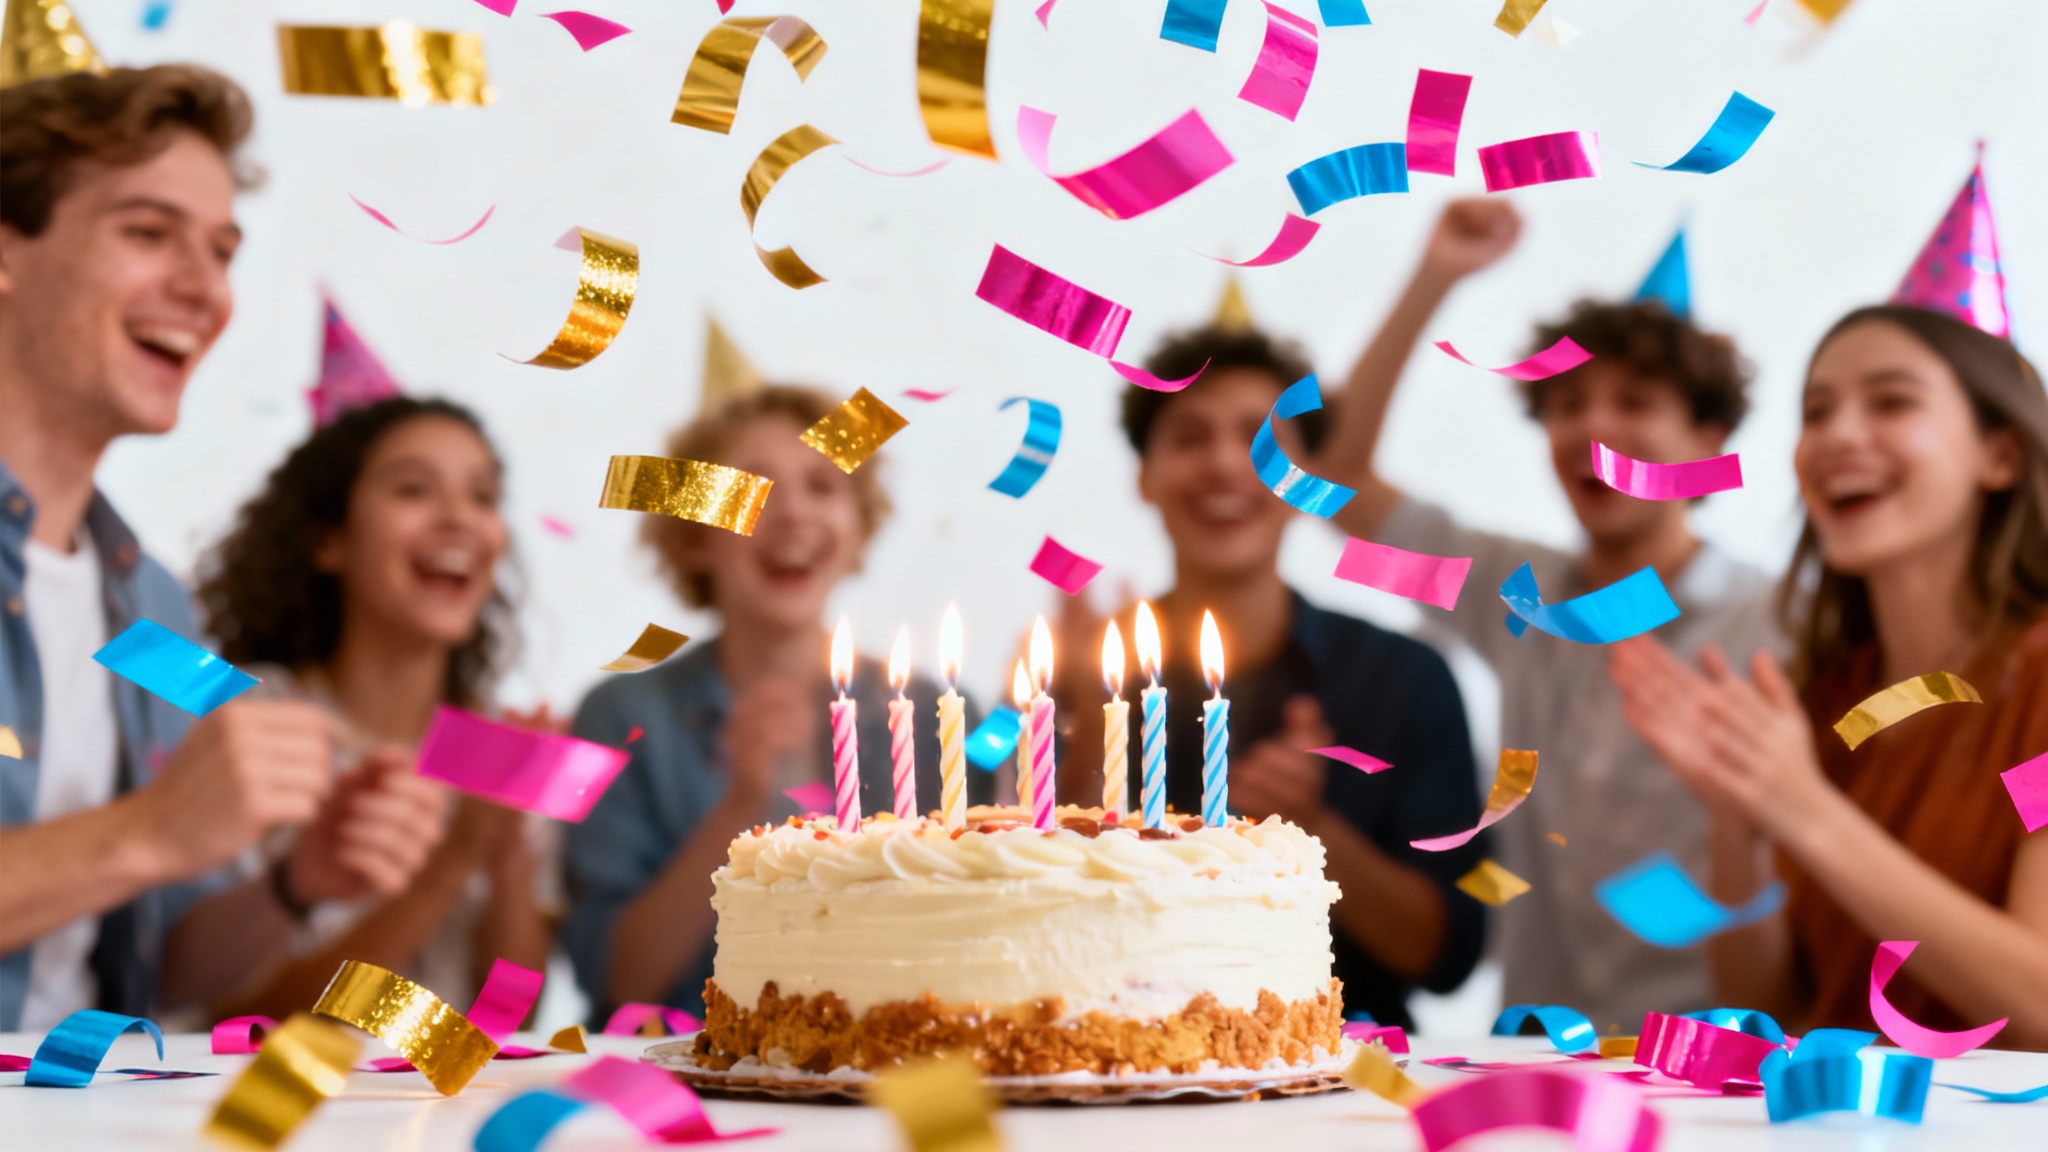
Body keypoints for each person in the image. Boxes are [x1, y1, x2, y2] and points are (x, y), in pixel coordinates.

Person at [0, 66, 440, 1029]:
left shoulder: (157, 610)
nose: (205, 290)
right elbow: (149, 844)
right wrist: (147, 833)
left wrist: (296, 882)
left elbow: (172, 976)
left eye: (222, 250)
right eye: (148, 232)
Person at [1312, 198, 1779, 1031]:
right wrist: (1437, 274)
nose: (1593, 427)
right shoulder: (1516, 590)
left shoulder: (1773, 620)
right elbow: (1335, 479)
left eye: (1635, 402)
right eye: (1566, 405)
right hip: (1537, 1057)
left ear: (1710, 439)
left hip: (1717, 1064)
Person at [1611, 306, 2048, 1046]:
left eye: (1892, 401)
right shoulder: (1831, 702)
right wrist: (1740, 815)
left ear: (1998, 455)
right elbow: (1773, 1003)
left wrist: (1802, 807)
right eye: (1817, 412)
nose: (1838, 435)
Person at [1054, 325, 1489, 1031]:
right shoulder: (1088, 675)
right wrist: (1079, 723)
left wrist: (1313, 831)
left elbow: (1449, 956)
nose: (1227, 463)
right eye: (1189, 437)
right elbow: (1030, 908)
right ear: (1144, 475)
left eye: (1261, 439)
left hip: (1343, 1083)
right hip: (1115, 1065)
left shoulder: (1404, 677)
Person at [563, 385, 988, 1023]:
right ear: (696, 538)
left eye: (822, 485)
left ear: (859, 526)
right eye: (752, 489)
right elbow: (620, 982)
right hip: (695, 1086)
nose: (791, 513)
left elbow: (994, 921)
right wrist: (739, 803)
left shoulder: (939, 715)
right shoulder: (620, 716)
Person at [193, 396, 555, 1018]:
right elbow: (236, 1020)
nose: (458, 520)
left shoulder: (499, 744)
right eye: (415, 489)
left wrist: (507, 854)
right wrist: (451, 863)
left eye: (483, 497)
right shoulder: (252, 720)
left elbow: (510, 1017)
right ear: (328, 541)